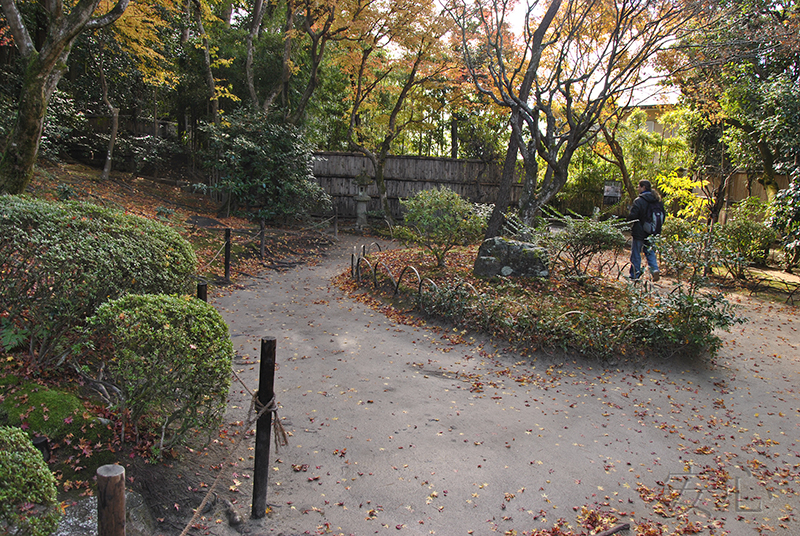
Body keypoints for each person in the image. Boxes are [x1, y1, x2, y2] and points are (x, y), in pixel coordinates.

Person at [627, 180, 661, 281]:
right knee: (649, 251)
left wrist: (629, 215)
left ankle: (635, 275)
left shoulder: (639, 201)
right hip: (652, 231)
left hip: (639, 231)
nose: (638, 189)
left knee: (636, 253)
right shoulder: (657, 201)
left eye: (639, 187)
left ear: (643, 187)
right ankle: (654, 269)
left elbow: (633, 216)